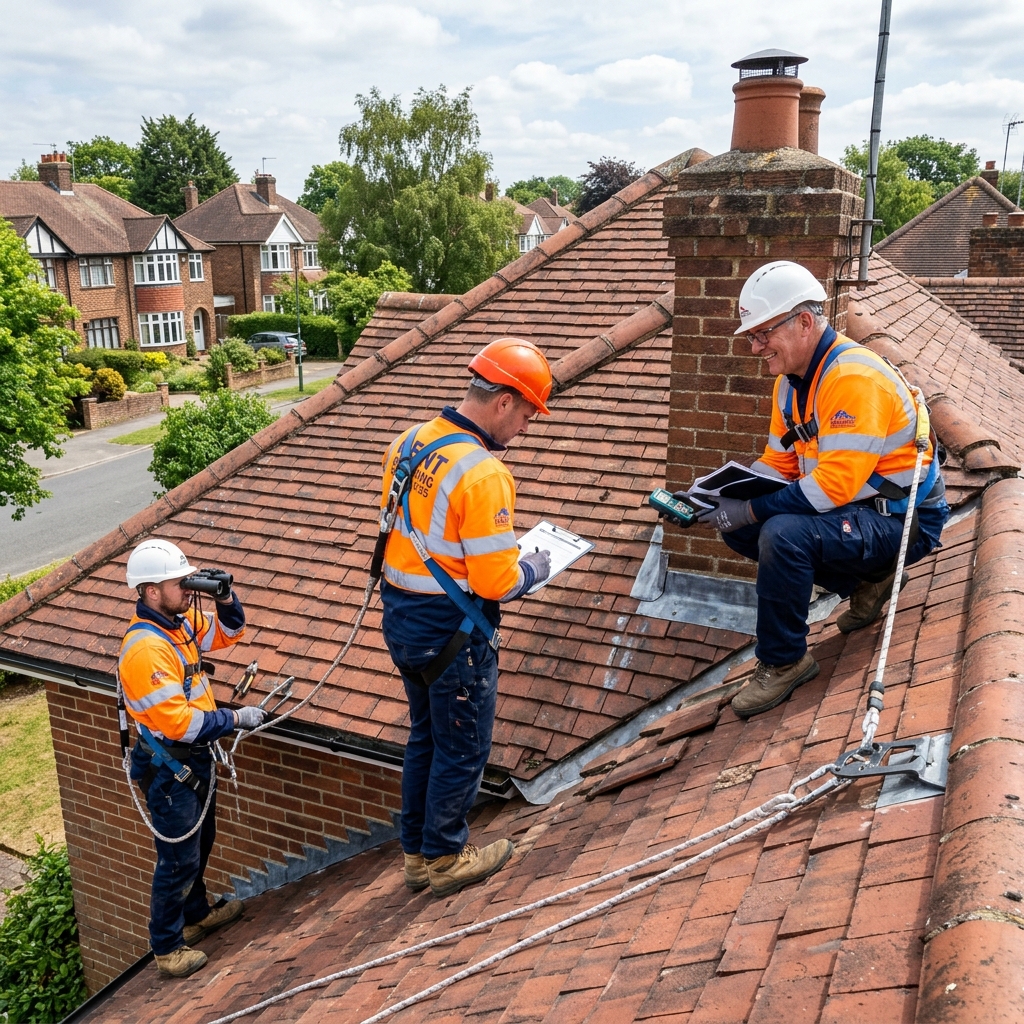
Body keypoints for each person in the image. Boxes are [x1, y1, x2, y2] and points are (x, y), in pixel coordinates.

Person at [681, 261, 948, 719]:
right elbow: (779, 464)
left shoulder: (852, 379)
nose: (755, 346)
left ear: (804, 321)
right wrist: (724, 498)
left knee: (781, 534)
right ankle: (870, 580)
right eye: (752, 335)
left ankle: (786, 661)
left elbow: (832, 486)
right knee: (741, 527)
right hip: (861, 514)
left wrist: (754, 510)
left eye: (763, 333)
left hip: (903, 522)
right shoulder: (791, 384)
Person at [380, 337, 553, 898]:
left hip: (404, 618)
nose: (524, 427)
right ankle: (446, 857)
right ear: (503, 400)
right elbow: (496, 581)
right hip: (454, 632)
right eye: (526, 414)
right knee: (463, 747)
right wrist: (539, 565)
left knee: (425, 739)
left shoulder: (409, 441)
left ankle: (416, 854)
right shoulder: (482, 473)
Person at [119, 539, 265, 977]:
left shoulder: (177, 623)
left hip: (191, 759)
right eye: (178, 582)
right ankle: (166, 946)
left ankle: (196, 912)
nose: (187, 588)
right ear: (149, 592)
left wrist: (225, 597)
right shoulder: (146, 649)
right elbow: (179, 723)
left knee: (201, 841)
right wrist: (235, 718)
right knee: (178, 857)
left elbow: (230, 633)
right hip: (169, 767)